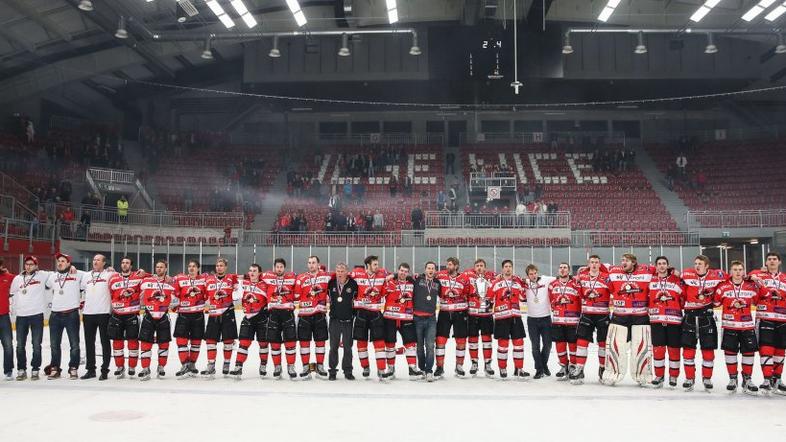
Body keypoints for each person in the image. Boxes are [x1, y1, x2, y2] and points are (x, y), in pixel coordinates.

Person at [713, 261, 767, 394]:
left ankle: (747, 379)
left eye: (740, 269)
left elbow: (763, 296)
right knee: (730, 353)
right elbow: (715, 302)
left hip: (747, 326)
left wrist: (757, 280)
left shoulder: (750, 286)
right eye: (735, 269)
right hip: (729, 325)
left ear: (744, 272)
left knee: (749, 353)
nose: (737, 272)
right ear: (730, 272)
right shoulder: (723, 286)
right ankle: (733, 379)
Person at [604, 253, 654, 386]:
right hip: (619, 315)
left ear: (634, 262)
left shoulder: (647, 271)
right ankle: (612, 372)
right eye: (622, 260)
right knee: (616, 346)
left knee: (641, 347)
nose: (623, 262)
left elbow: (662, 270)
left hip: (640, 316)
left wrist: (673, 271)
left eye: (626, 260)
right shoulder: (614, 272)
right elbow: (598, 268)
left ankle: (642, 375)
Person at [680, 255, 726, 391]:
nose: (697, 266)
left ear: (707, 266)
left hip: (706, 317)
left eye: (700, 263)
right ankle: (689, 378)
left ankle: (707, 378)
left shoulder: (717, 275)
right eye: (695, 263)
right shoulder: (686, 274)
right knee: (688, 351)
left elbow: (733, 279)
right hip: (689, 317)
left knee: (708, 351)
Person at [749, 252, 786, 394]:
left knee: (780, 350)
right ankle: (767, 379)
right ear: (765, 262)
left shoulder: (784, 278)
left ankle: (777, 379)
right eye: (769, 259)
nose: (772, 261)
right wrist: (757, 273)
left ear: (779, 262)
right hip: (765, 317)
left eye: (774, 259)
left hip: (782, 319)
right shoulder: (760, 276)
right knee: (766, 349)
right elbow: (746, 276)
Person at [44, 253, 85, 380]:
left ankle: (73, 368)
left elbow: (92, 274)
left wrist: (110, 270)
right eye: (58, 261)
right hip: (55, 315)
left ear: (68, 263)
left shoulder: (78, 274)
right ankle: (55, 368)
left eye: (63, 261)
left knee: (74, 344)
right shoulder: (52, 277)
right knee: (54, 344)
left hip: (71, 314)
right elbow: (42, 279)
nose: (60, 263)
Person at [572, 255, 612, 385]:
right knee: (581, 343)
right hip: (587, 314)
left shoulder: (606, 278)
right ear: (588, 264)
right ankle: (579, 369)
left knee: (603, 344)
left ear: (600, 265)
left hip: (603, 314)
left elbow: (615, 291)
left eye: (596, 262)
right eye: (592, 262)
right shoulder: (582, 277)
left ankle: (602, 369)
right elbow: (578, 293)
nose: (594, 264)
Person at [349, 256, 389, 379]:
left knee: (380, 342)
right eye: (375, 264)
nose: (377, 267)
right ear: (367, 265)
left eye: (377, 264)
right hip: (361, 313)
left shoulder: (382, 275)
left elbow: (392, 278)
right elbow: (342, 275)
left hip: (376, 313)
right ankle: (365, 367)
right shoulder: (357, 274)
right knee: (361, 343)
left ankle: (381, 370)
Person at [9, 256, 48, 381]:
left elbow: (59, 272)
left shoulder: (42, 276)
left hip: (37, 315)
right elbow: (12, 293)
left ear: (36, 265)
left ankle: (35, 369)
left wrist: (73, 267)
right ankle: (21, 369)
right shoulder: (18, 279)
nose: (28, 266)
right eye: (27, 264)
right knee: (20, 345)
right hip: (21, 316)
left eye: (31, 264)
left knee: (36, 344)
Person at [647, 256, 684, 388]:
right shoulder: (650, 281)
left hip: (674, 321)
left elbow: (683, 298)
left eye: (664, 264)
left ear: (668, 266)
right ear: (656, 266)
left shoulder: (676, 280)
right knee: (658, 350)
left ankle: (673, 376)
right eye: (659, 264)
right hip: (656, 320)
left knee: (674, 350)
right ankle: (659, 375)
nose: (661, 266)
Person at [229, 264, 270, 379]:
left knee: (263, 344)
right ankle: (238, 366)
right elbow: (231, 279)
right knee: (243, 343)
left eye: (254, 271)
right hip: (247, 317)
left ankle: (263, 365)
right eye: (250, 270)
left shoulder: (265, 285)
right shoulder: (243, 283)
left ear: (260, 273)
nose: (252, 273)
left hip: (262, 318)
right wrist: (242, 277)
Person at [381, 263, 420, 380]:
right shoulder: (390, 282)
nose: (403, 273)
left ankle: (412, 369)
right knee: (389, 344)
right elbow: (381, 292)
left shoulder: (412, 284)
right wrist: (388, 278)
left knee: (411, 344)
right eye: (401, 270)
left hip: (406, 318)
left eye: (405, 271)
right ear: (398, 270)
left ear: (408, 273)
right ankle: (391, 369)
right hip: (390, 318)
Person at [137, 259, 176, 380]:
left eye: (161, 267)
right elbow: (132, 276)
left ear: (166, 269)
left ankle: (161, 367)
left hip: (163, 315)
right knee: (145, 343)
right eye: (157, 267)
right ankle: (145, 368)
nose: (159, 269)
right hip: (148, 315)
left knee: (163, 344)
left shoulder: (171, 282)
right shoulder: (147, 280)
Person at [107, 256, 144, 379]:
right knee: (117, 343)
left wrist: (144, 272)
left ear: (131, 266)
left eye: (127, 263)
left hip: (132, 315)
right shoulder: (113, 279)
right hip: (117, 315)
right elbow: (111, 294)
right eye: (123, 262)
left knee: (132, 342)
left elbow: (154, 277)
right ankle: (119, 366)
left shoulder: (138, 277)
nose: (124, 265)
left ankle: (132, 366)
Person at [202, 258, 240, 377]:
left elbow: (242, 288)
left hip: (228, 312)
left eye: (221, 265)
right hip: (213, 313)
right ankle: (211, 365)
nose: (219, 267)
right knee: (210, 341)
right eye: (217, 265)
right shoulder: (208, 280)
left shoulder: (231, 278)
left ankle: (227, 363)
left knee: (228, 340)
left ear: (226, 267)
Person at [294, 256, 330, 379]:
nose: (311, 265)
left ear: (318, 264)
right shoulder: (301, 278)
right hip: (304, 316)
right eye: (309, 263)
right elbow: (296, 296)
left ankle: (320, 366)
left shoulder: (326, 276)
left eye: (313, 263)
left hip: (320, 315)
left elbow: (343, 274)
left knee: (320, 343)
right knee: (304, 343)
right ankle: (306, 367)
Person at [79, 254, 114, 380]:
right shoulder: (86, 276)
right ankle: (90, 369)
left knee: (105, 342)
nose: (95, 261)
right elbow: (81, 288)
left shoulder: (110, 275)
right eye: (94, 259)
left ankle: (105, 370)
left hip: (104, 313)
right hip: (88, 313)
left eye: (98, 260)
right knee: (89, 343)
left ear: (104, 263)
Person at [490, 260, 527, 379]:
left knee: (519, 344)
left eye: (510, 267)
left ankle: (519, 369)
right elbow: (488, 297)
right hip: (501, 317)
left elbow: (523, 298)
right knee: (503, 345)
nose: (508, 269)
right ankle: (502, 367)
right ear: (502, 269)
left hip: (516, 316)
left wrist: (523, 283)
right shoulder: (496, 283)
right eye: (506, 267)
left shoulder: (517, 283)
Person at [262, 258, 297, 379]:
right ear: (274, 268)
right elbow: (253, 276)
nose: (279, 269)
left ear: (284, 268)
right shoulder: (267, 276)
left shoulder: (292, 277)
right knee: (274, 342)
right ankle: (277, 366)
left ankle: (291, 366)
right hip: (273, 314)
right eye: (277, 267)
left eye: (281, 267)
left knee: (290, 342)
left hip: (288, 313)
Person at [172, 259, 208, 378]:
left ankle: (192, 365)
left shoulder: (204, 279)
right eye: (189, 266)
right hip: (183, 315)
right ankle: (184, 364)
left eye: (194, 266)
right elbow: (174, 295)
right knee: (181, 341)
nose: (191, 268)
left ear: (198, 268)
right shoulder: (180, 279)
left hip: (198, 315)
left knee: (196, 342)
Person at [435, 257, 469, 378]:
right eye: (447, 264)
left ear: (456, 266)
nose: (447, 266)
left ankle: (459, 366)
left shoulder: (465, 278)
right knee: (440, 340)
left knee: (461, 341)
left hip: (460, 312)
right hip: (444, 312)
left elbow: (467, 294)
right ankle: (439, 367)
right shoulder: (440, 276)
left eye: (450, 264)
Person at [548, 263, 582, 381]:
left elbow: (580, 300)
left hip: (573, 321)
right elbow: (551, 300)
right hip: (558, 321)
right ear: (558, 270)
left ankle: (572, 367)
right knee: (560, 346)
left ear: (569, 271)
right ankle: (563, 367)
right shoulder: (552, 285)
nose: (562, 270)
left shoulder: (576, 284)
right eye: (560, 267)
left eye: (565, 268)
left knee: (573, 346)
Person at [522, 264, 555, 379]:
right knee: (535, 346)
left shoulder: (546, 280)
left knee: (548, 345)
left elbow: (561, 278)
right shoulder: (525, 283)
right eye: (531, 274)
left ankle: (543, 364)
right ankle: (539, 369)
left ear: (537, 272)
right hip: (532, 320)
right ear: (527, 275)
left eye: (535, 273)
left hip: (546, 318)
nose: (533, 275)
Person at [465, 259, 496, 376]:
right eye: (477, 266)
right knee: (473, 340)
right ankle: (474, 363)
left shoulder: (491, 277)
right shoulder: (468, 277)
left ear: (485, 267)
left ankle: (488, 364)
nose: (479, 267)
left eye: (481, 266)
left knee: (487, 340)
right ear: (474, 267)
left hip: (487, 314)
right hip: (472, 314)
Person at [327, 263, 357, 380]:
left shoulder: (353, 284)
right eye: (338, 271)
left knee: (348, 347)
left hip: (348, 320)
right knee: (333, 347)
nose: (340, 273)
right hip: (334, 320)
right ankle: (332, 371)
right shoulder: (331, 284)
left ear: (347, 272)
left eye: (342, 270)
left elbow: (357, 299)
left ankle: (348, 370)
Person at [413, 262, 440, 382]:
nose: (430, 270)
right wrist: (391, 275)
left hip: (431, 319)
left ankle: (429, 370)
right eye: (428, 268)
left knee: (430, 346)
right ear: (425, 270)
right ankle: (422, 369)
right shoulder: (417, 280)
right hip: (417, 318)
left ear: (435, 271)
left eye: (433, 268)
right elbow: (402, 276)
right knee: (419, 347)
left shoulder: (437, 283)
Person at [0, 258, 14, 381]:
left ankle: (8, 370)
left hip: (3, 316)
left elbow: (23, 279)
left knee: (8, 345)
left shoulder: (8, 277)